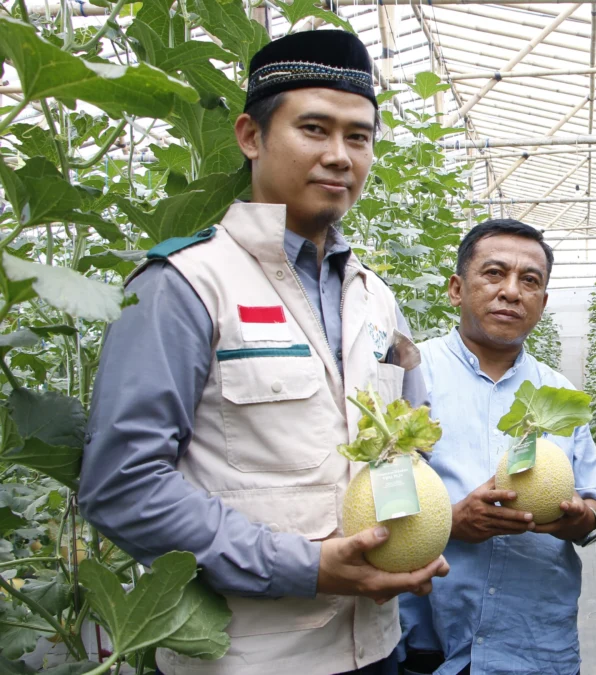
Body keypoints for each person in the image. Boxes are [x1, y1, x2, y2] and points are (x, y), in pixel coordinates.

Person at [78, 30, 449, 675]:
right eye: (314, 128)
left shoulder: (376, 297)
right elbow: (122, 483)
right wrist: (304, 567)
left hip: (378, 645)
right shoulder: (185, 286)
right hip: (248, 657)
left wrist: (421, 537)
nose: (340, 156)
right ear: (251, 136)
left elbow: (407, 451)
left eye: (358, 137)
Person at [396, 219, 596, 675]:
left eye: (529, 280)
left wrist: (578, 519)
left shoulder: (558, 393)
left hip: (536, 645)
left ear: (544, 302)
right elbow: (368, 502)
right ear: (456, 288)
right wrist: (450, 522)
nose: (512, 291)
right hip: (428, 645)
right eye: (494, 273)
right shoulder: (410, 376)